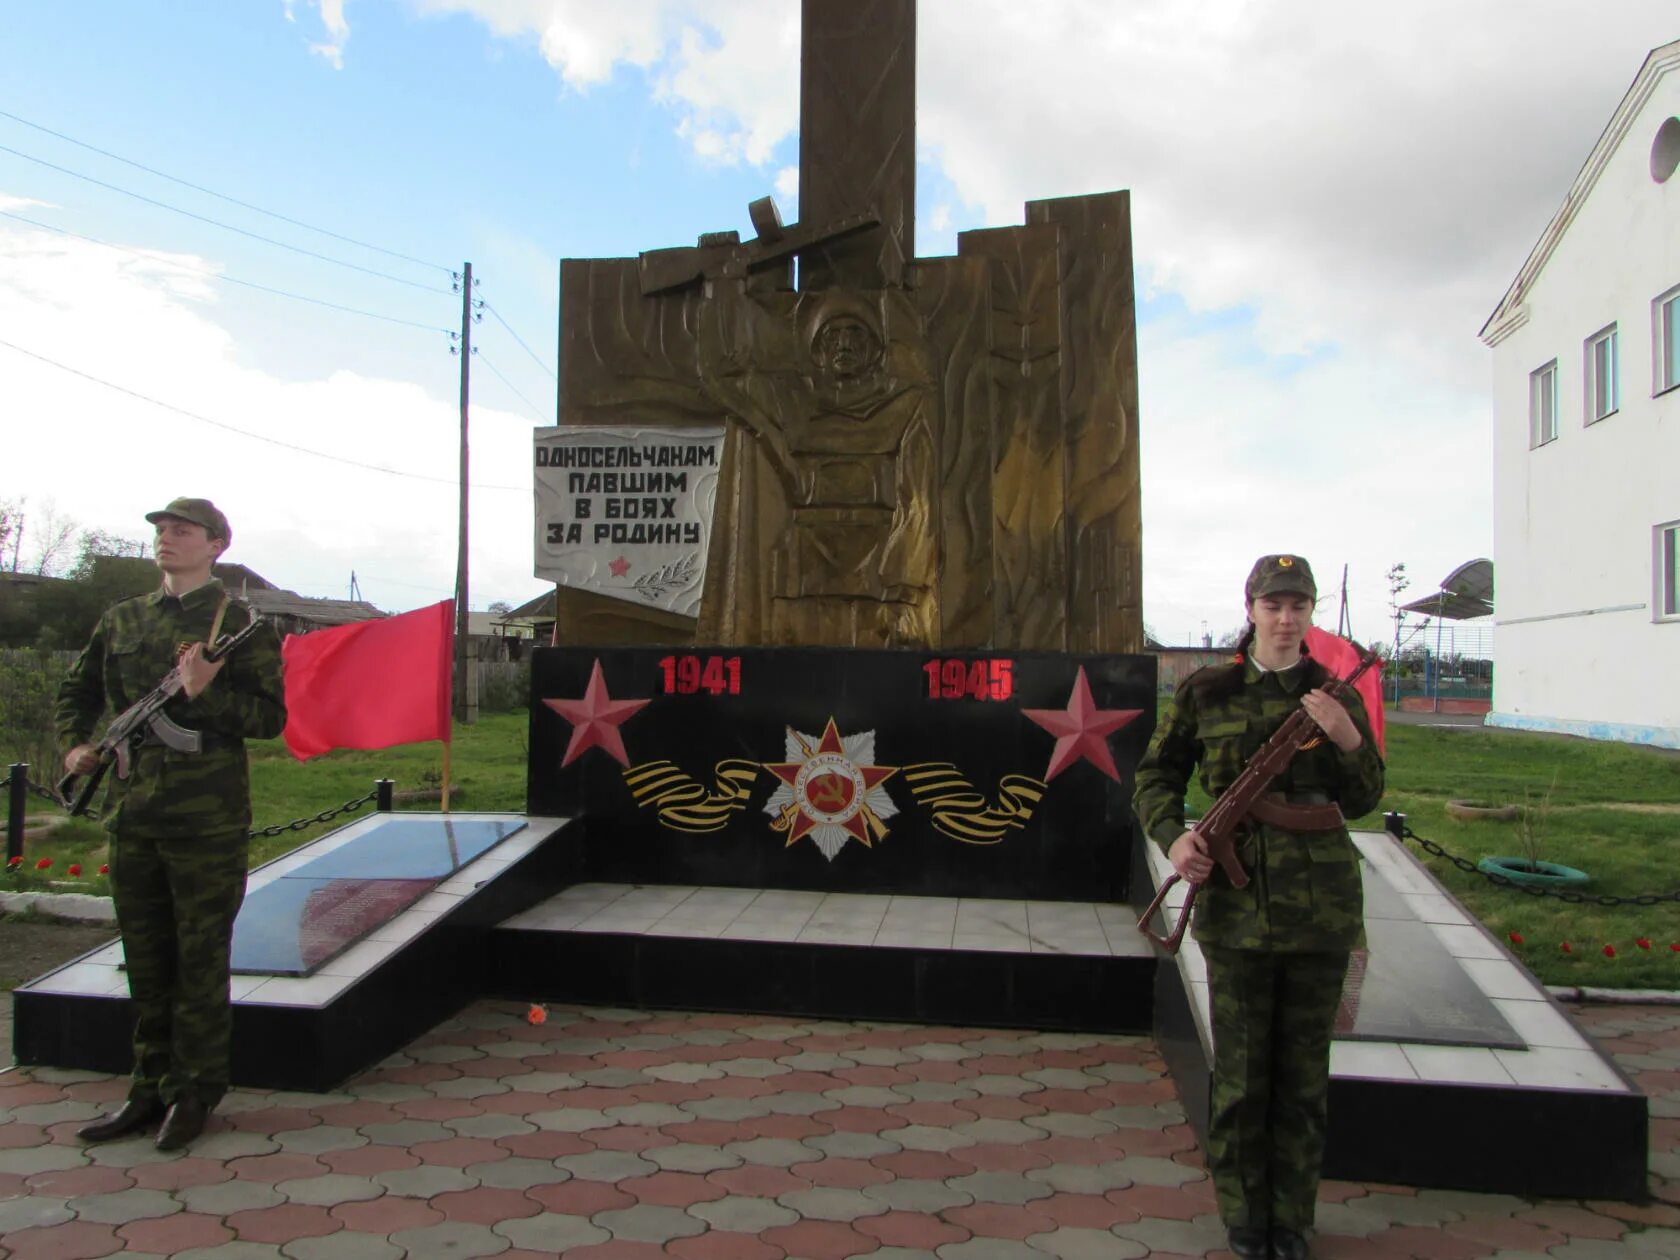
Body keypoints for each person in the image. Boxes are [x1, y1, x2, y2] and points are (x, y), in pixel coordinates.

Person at [1133, 555, 1384, 1260]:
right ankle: (1245, 1217)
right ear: (1250, 609)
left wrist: (1343, 734)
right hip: (1237, 909)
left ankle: (1292, 1221)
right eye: (1273, 604)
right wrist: (1174, 837)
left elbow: (1364, 798)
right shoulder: (1207, 691)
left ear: (1311, 614)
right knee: (1244, 1076)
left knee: (1304, 1078)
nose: (1286, 617)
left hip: (1321, 909)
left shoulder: (1334, 696)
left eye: (1298, 605)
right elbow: (1155, 774)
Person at [57, 498, 285, 1150]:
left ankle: (196, 1091)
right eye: (160, 530)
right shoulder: (123, 618)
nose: (167, 539)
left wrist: (203, 690)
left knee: (200, 963)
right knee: (147, 965)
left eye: (181, 531)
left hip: (206, 824)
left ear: (215, 543)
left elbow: (270, 719)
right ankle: (146, 1088)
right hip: (133, 817)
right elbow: (77, 691)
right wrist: (76, 746)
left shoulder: (237, 622)